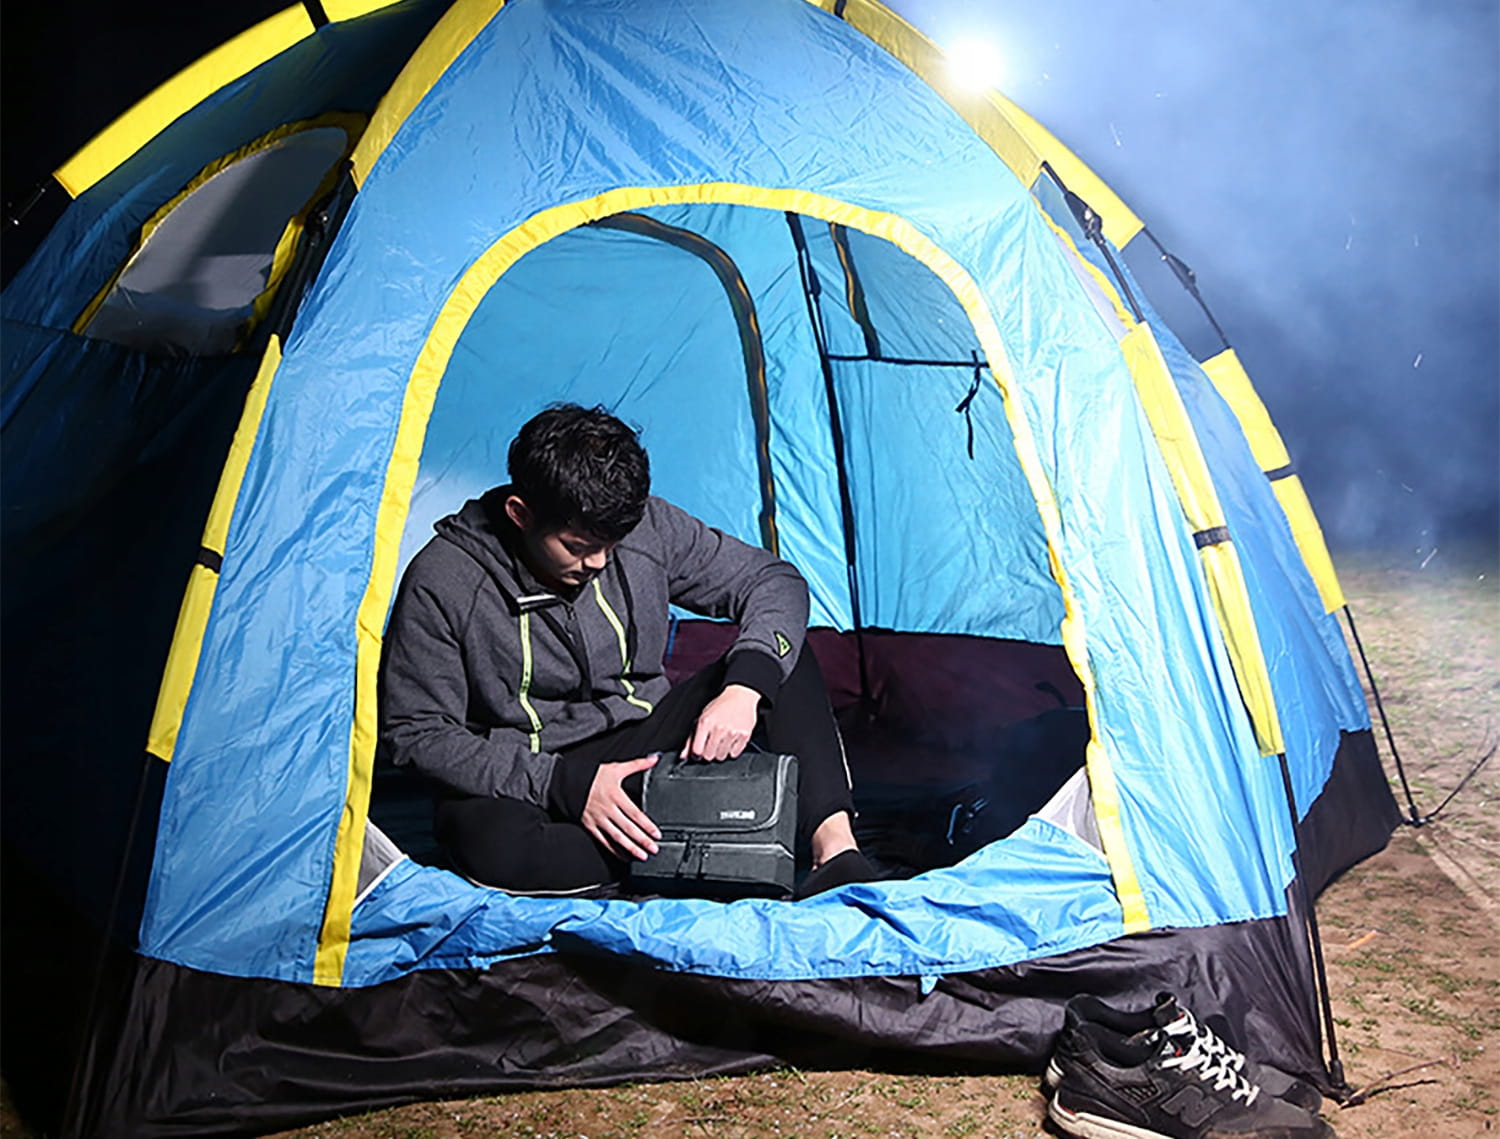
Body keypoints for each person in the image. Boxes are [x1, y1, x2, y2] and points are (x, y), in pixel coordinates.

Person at [379, 403, 873, 898]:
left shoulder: (644, 526)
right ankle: (705, 841)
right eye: (577, 546)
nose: (597, 562)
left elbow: (772, 581)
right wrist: (568, 787)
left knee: (779, 659)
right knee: (491, 847)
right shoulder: (444, 578)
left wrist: (744, 690)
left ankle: (835, 852)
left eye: (611, 546)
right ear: (520, 514)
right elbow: (416, 732)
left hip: (644, 742)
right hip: (532, 768)